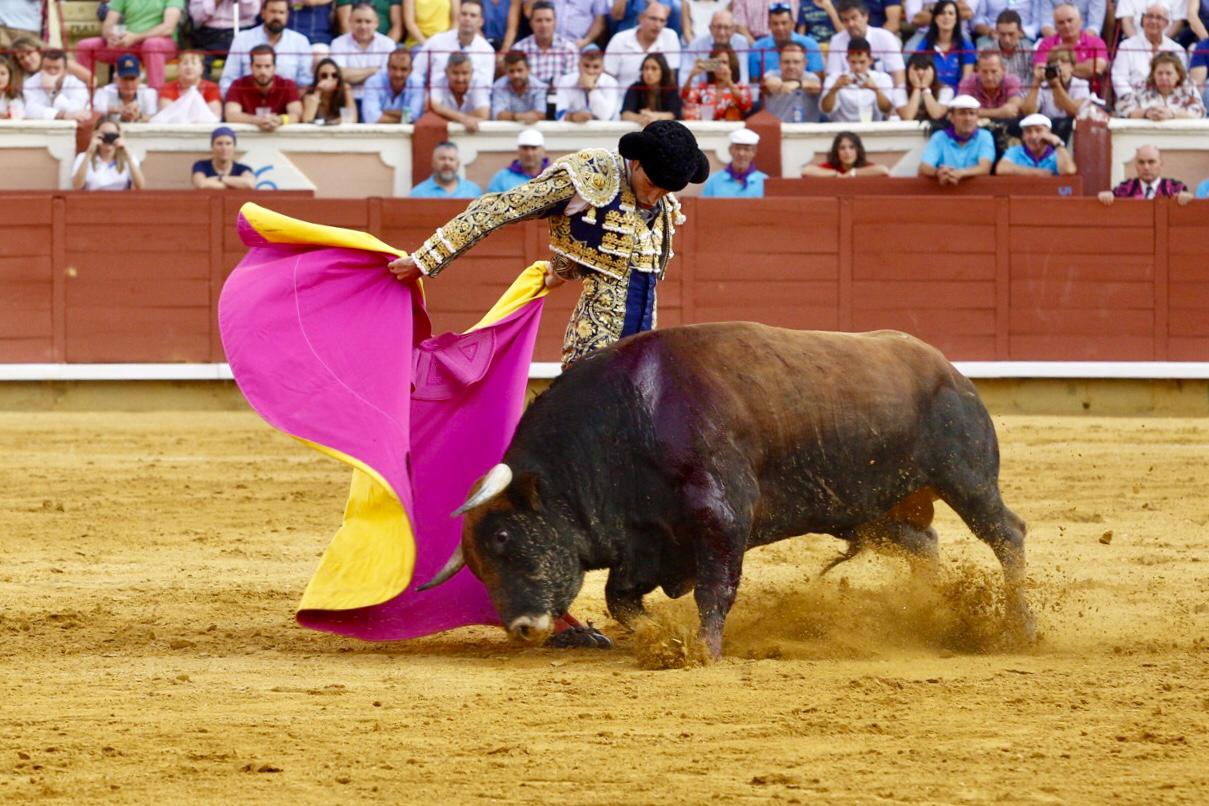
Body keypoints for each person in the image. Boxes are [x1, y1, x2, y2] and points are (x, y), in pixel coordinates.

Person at [388, 118, 709, 375]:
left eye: (665, 191)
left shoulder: (662, 203)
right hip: (595, 352)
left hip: (644, 354)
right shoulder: (590, 177)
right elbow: (499, 208)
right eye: (651, 185)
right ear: (636, 161)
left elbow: (605, 250)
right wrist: (425, 259)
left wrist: (562, 270)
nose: (654, 198)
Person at [75, 0, 181, 90]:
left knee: (151, 45)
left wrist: (136, 37)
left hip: (162, 44)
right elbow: (108, 24)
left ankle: (156, 98)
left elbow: (168, 28)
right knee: (84, 46)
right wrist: (110, 37)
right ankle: (85, 96)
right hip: (129, 43)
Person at [220, 0, 314, 95]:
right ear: (263, 13)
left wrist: (292, 101)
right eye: (273, 12)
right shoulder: (242, 39)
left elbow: (305, 82)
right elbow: (228, 80)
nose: (277, 17)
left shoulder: (300, 42)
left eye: (281, 12)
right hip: (247, 101)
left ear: (287, 15)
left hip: (288, 101)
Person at [413, 0, 496, 93]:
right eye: (464, 14)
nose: (467, 19)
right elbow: (416, 72)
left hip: (471, 99)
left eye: (473, 16)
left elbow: (486, 87)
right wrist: (423, 94)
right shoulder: (436, 42)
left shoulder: (487, 51)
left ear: (480, 22)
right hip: (436, 97)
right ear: (458, 17)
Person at [1112, 4, 1186, 100]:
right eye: (1149, 16)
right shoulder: (1126, 46)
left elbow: (1182, 80)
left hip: (1169, 102)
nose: (1153, 21)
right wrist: (1132, 99)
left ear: (1166, 23)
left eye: (1158, 18)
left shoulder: (1177, 49)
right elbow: (1119, 78)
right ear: (1143, 20)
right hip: (1134, 100)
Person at [331, 2, 396, 110]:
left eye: (368, 21)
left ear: (376, 23)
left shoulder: (387, 44)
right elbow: (340, 75)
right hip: (347, 100)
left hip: (379, 101)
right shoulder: (338, 43)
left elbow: (386, 78)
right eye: (358, 21)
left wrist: (353, 76)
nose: (363, 26)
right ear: (350, 22)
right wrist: (373, 70)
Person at [224, 44, 304, 131]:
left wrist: (280, 120)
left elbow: (297, 115)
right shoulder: (238, 85)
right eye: (258, 66)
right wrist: (258, 120)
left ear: (274, 67)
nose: (263, 71)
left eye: (267, 66)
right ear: (251, 67)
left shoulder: (287, 85)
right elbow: (231, 115)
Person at [918, 94, 995, 184]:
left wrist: (961, 173)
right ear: (951, 118)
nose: (967, 118)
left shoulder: (985, 136)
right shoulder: (939, 137)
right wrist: (938, 172)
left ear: (977, 118)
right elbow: (924, 166)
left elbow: (985, 168)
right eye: (962, 113)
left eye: (972, 113)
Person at [604, 3, 682, 92]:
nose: (657, 25)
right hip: (621, 98)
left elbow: (671, 77)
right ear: (640, 18)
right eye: (653, 19)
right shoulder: (619, 40)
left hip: (657, 98)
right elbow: (607, 77)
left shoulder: (670, 37)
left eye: (662, 21)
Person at [1032, 3, 1107, 93]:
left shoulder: (1096, 42)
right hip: (1052, 93)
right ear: (1055, 26)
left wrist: (1059, 69)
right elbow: (1039, 71)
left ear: (1080, 21)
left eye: (1070, 20)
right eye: (1061, 22)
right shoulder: (1046, 43)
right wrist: (1081, 68)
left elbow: (1097, 68)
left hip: (1089, 94)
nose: (1066, 25)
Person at [826, 0, 905, 85]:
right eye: (846, 20)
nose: (851, 24)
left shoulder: (885, 37)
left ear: (865, 16)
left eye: (854, 18)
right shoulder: (836, 41)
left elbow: (898, 76)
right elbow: (832, 78)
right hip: (848, 91)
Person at [1019, 46, 1089, 136]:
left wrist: (1056, 85)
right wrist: (1036, 82)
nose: (1058, 65)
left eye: (1064, 61)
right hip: (1046, 129)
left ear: (1072, 67)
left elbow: (1075, 111)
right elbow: (1028, 113)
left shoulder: (1081, 85)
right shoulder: (1043, 86)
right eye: (1054, 62)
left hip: (1071, 130)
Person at [821, 36, 895, 120]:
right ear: (847, 60)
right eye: (853, 62)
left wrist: (876, 90)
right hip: (842, 127)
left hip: (871, 126)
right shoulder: (834, 78)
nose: (857, 67)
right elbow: (826, 109)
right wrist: (834, 89)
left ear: (870, 60)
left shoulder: (882, 78)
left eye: (862, 62)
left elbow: (886, 109)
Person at [1115, 51, 1206, 117]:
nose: (1163, 77)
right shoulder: (1141, 87)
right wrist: (1146, 113)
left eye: (1168, 73)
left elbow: (1200, 111)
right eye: (1159, 73)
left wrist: (1172, 113)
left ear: (1178, 75)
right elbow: (1121, 108)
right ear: (1153, 74)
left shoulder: (1187, 88)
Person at [908, 0, 975, 88]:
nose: (946, 17)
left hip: (959, 93)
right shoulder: (924, 45)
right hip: (932, 93)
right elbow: (921, 77)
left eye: (951, 13)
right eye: (942, 13)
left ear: (956, 19)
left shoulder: (966, 46)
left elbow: (966, 80)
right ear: (935, 19)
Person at [750, 2, 823, 80]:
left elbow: (817, 80)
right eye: (775, 24)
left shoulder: (810, 44)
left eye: (784, 23)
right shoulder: (757, 47)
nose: (780, 28)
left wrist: (794, 85)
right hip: (769, 87)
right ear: (769, 25)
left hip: (805, 87)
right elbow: (755, 82)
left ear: (793, 24)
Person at [1098, 145, 1194, 203]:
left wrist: (1187, 197)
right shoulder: (1124, 189)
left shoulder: (1175, 188)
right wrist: (1106, 196)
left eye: (1151, 162)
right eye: (1141, 162)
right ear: (1136, 165)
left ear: (1161, 164)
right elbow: (1110, 197)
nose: (1146, 167)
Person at [513, 1, 579, 85]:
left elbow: (572, 83)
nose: (544, 25)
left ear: (555, 23)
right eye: (539, 20)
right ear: (531, 23)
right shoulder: (519, 49)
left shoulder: (569, 49)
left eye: (548, 20)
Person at [682, 43, 754, 119]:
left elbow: (747, 106)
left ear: (731, 65)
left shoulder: (741, 87)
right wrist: (691, 76)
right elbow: (686, 98)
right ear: (711, 66)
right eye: (717, 63)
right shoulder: (704, 87)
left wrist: (729, 82)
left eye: (724, 62)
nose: (720, 66)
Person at [681, 9, 750, 87]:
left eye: (726, 27)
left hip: (734, 91)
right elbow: (684, 79)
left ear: (733, 29)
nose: (722, 33)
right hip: (703, 91)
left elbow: (743, 78)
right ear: (710, 28)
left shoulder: (741, 42)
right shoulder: (696, 44)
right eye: (718, 27)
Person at [72, 120, 147, 191]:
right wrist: (89, 153)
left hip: (120, 198)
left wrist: (126, 153)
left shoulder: (128, 158)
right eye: (104, 135)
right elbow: (77, 186)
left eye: (112, 135)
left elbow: (140, 186)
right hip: (92, 198)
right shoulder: (83, 157)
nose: (108, 138)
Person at [187, 0, 260, 73]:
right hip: (210, 35)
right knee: (197, 64)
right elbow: (197, 16)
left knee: (250, 62)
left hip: (243, 31)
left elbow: (254, 11)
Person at [555, 43, 622, 121]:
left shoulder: (611, 83)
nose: (590, 71)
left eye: (596, 67)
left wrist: (592, 90)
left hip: (604, 128)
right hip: (574, 127)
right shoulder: (566, 81)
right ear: (579, 65)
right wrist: (573, 117)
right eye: (586, 66)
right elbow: (559, 114)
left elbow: (606, 117)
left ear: (603, 68)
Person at [759, 40, 821, 121]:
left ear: (805, 63)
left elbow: (818, 86)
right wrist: (778, 84)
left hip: (806, 128)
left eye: (796, 62)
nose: (791, 66)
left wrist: (797, 84)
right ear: (779, 63)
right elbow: (767, 83)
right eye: (786, 62)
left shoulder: (811, 77)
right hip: (778, 127)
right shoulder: (771, 74)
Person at [21, 48, 90, 121]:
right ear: (41, 68)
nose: (52, 72)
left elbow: (78, 109)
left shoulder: (76, 84)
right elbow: (30, 110)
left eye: (56, 68)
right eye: (47, 68)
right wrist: (62, 115)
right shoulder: (30, 83)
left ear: (65, 70)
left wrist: (53, 92)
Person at [996, 112, 1076, 174]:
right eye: (1028, 131)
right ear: (1023, 136)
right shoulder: (1015, 151)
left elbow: (1069, 171)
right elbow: (1001, 169)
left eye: (1038, 130)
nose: (1033, 136)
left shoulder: (1057, 155)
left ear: (1049, 133)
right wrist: (1038, 173)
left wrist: (1057, 142)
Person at [429, 52, 492, 130]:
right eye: (455, 73)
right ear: (446, 72)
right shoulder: (437, 82)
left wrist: (445, 114)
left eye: (465, 73)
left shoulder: (479, 83)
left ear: (472, 73)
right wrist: (463, 119)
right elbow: (432, 106)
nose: (460, 79)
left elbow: (483, 114)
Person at [362, 46, 425, 122]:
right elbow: (371, 118)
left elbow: (414, 116)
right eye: (394, 68)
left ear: (411, 70)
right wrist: (404, 118)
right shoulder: (373, 82)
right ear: (387, 67)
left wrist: (383, 111)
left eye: (403, 69)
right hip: (377, 130)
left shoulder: (418, 83)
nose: (398, 74)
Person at [157, 49, 223, 119]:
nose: (189, 67)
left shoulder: (212, 88)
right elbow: (167, 115)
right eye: (185, 63)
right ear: (178, 68)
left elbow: (214, 116)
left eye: (194, 63)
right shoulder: (168, 88)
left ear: (201, 69)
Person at [956, 50, 1023, 119]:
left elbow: (1013, 107)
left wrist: (977, 112)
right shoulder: (968, 82)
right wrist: (999, 113)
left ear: (1003, 70)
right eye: (984, 72)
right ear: (977, 71)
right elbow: (962, 109)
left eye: (994, 71)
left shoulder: (1012, 80)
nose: (989, 77)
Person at [93, 53, 159, 123]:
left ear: (140, 79)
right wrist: (118, 110)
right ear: (116, 79)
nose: (129, 84)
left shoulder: (149, 92)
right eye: (125, 79)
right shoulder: (105, 91)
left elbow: (152, 117)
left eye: (132, 79)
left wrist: (138, 115)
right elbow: (96, 109)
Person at [702, 128, 769, 197]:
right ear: (730, 150)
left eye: (746, 149)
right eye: (737, 148)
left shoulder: (765, 182)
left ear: (754, 152)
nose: (741, 153)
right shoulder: (713, 181)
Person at [621, 52, 683, 122]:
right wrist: (640, 118)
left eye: (654, 68)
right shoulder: (635, 88)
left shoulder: (670, 90)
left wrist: (655, 116)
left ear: (663, 71)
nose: (649, 72)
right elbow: (625, 114)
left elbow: (674, 114)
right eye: (646, 68)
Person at [409, 141, 484, 197]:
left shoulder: (474, 191)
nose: (447, 163)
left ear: (458, 164)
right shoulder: (418, 194)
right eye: (442, 158)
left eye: (451, 159)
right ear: (433, 163)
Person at [192, 126, 257, 189]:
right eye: (219, 143)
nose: (224, 148)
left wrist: (220, 178)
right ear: (212, 147)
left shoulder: (243, 169)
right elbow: (201, 184)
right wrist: (236, 186)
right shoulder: (201, 165)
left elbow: (250, 184)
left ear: (234, 147)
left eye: (228, 144)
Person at [802, 129, 891, 175]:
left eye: (852, 147)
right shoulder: (831, 167)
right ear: (836, 151)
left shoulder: (864, 166)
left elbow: (884, 170)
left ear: (858, 150)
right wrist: (836, 174)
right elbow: (806, 171)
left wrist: (853, 173)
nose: (847, 152)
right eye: (842, 148)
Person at [896, 51, 954, 120]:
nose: (920, 72)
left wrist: (925, 88)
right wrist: (916, 88)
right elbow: (908, 116)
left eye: (925, 68)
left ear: (933, 71)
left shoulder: (945, 89)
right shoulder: (900, 90)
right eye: (916, 69)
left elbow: (936, 115)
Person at [492, 51, 548, 121]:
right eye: (511, 71)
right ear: (506, 71)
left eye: (520, 70)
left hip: (531, 127)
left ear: (528, 69)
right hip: (506, 127)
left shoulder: (539, 87)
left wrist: (511, 116)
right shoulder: (498, 86)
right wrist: (518, 116)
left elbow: (541, 115)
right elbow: (497, 115)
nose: (516, 75)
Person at [302, 57, 358, 123]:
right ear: (317, 78)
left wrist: (328, 124)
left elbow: (352, 119)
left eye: (334, 75)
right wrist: (318, 91)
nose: (329, 79)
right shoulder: (310, 94)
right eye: (324, 76)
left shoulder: (344, 89)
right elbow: (307, 121)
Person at [987, 9, 1033, 83]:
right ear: (996, 32)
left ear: (1020, 32)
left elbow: (1031, 82)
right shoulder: (985, 53)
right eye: (1002, 34)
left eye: (1011, 34)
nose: (1007, 40)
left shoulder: (1030, 53)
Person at [973, 0, 1040, 40]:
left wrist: (1023, 32)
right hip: (991, 35)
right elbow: (978, 19)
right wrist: (989, 31)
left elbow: (1038, 21)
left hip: (1025, 36)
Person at [336, 0, 404, 40]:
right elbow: (345, 24)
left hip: (386, 41)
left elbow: (397, 26)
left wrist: (386, 46)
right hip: (353, 43)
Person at [1115, 0, 1185, 39]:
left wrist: (1163, 43)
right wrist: (1137, 43)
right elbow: (1126, 21)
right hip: (1132, 42)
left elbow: (1178, 22)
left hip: (1168, 43)